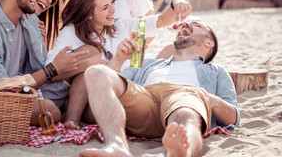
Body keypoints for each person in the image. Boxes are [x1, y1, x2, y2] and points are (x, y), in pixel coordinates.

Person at [79, 20, 240, 157]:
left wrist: (208, 99)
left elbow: (233, 117)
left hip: (184, 96)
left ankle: (182, 151)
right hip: (145, 98)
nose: (186, 23)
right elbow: (107, 88)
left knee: (185, 114)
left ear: (208, 43)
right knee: (96, 72)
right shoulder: (149, 64)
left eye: (196, 24)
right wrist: (119, 59)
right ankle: (117, 146)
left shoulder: (216, 71)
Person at [46, 0, 192, 129]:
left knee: (169, 51)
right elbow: (50, 71)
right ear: (88, 13)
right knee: (89, 59)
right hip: (85, 96)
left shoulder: (119, 25)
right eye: (105, 7)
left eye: (112, 3)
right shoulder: (71, 32)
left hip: (115, 91)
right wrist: (88, 63)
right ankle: (72, 120)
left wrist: (177, 3)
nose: (113, 10)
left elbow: (160, 21)